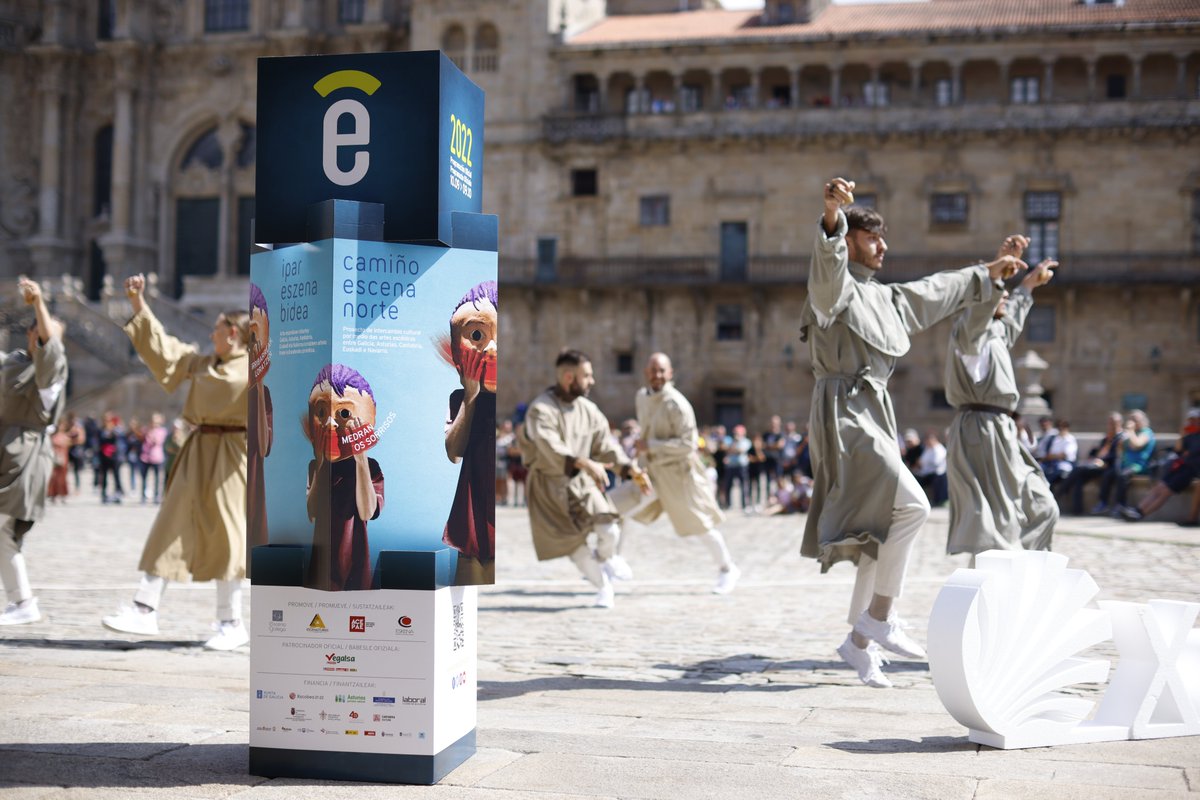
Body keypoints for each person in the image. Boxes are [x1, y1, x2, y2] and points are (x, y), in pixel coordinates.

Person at [799, 176, 1022, 688]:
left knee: (882, 526)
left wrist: (990, 271)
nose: (882, 246)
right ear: (851, 241)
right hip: (844, 413)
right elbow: (827, 270)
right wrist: (832, 216)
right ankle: (879, 619)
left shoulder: (886, 298)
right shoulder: (831, 287)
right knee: (915, 506)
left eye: (882, 238)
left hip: (872, 413)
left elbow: (935, 291)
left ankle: (858, 645)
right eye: (872, 237)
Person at [101, 274, 250, 650]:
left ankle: (231, 622)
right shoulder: (202, 363)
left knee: (229, 532)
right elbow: (164, 350)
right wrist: (138, 303)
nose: (211, 334)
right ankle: (144, 608)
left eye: (218, 328)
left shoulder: (257, 368)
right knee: (171, 524)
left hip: (235, 453)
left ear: (233, 332)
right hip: (198, 449)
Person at [943, 241, 1058, 559]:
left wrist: (1029, 284)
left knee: (1043, 508)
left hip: (1001, 429)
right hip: (980, 431)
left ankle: (1025, 575)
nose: (1004, 294)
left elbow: (1011, 318)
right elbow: (980, 311)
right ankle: (992, 589)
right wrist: (995, 270)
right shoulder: (968, 334)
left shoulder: (994, 333)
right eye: (997, 289)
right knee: (994, 528)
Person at [519, 349, 650, 608]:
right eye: (587, 375)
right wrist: (584, 462)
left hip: (581, 483)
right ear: (569, 377)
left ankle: (607, 557)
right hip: (548, 489)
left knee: (609, 528)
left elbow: (606, 446)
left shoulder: (589, 410)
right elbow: (549, 445)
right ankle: (603, 588)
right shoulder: (540, 410)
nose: (592, 381)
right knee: (574, 547)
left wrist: (630, 469)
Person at [632, 353, 740, 594]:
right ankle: (607, 561)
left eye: (661, 370)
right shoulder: (641, 397)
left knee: (700, 525)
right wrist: (640, 462)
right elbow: (644, 435)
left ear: (670, 374)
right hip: (652, 473)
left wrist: (652, 446)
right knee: (621, 506)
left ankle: (727, 568)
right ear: (645, 372)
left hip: (678, 475)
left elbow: (687, 445)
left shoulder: (677, 404)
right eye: (652, 370)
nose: (657, 375)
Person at [0, 277, 68, 626]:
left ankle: (23, 602)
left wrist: (39, 301)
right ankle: (20, 601)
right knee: (4, 534)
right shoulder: (12, 362)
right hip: (6, 452)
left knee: (4, 531)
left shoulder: (51, 374)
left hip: (25, 457)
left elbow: (50, 349)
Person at [303, 364, 384, 592]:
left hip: (355, 566)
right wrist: (320, 464)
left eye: (344, 414)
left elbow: (368, 512)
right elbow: (312, 512)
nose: (330, 423)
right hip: (322, 566)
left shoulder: (371, 467)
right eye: (321, 413)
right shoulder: (316, 467)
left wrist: (360, 461)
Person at [442, 280, 497, 585]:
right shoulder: (460, 399)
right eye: (477, 336)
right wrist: (471, 394)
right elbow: (453, 450)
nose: (490, 347)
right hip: (471, 526)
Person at [1120, 408, 1200, 523]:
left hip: (1191, 471)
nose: (1193, 422)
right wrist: (1182, 435)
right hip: (1180, 467)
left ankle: (1141, 514)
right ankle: (1137, 510)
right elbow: (1178, 449)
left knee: (1165, 491)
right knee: (1159, 487)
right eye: (1191, 420)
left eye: (1195, 420)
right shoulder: (1190, 435)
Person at [1056, 411, 1122, 515]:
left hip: (1107, 466)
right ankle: (1077, 510)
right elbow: (1094, 451)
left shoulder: (1120, 438)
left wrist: (1103, 461)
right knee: (1078, 479)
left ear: (1119, 424)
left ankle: (1059, 494)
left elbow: (1117, 456)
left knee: (1078, 469)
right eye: (1109, 423)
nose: (1110, 426)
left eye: (1113, 423)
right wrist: (1094, 457)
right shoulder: (1106, 438)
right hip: (1095, 465)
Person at [1097, 410, 1156, 515]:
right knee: (1107, 475)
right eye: (1131, 419)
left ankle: (1120, 505)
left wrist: (1130, 431)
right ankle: (1103, 503)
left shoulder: (1147, 432)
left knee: (1122, 475)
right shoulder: (1130, 433)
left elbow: (1137, 444)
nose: (1132, 421)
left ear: (1142, 421)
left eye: (1135, 419)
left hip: (1139, 466)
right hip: (1125, 464)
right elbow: (1120, 450)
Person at [1039, 418, 1077, 489]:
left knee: (1053, 475)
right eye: (1059, 426)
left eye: (1063, 426)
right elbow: (1045, 453)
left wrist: (1052, 456)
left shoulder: (1070, 439)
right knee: (1038, 470)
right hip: (1049, 463)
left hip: (1064, 464)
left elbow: (1064, 455)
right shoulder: (1053, 438)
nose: (1061, 428)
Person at [913, 429, 948, 507]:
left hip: (937, 474)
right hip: (925, 473)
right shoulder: (927, 449)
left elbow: (936, 463)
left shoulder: (939, 449)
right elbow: (921, 461)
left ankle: (938, 501)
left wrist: (923, 463)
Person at [139, 413, 167, 503]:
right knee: (144, 477)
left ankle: (156, 496)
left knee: (157, 478)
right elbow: (141, 439)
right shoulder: (145, 430)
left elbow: (157, 442)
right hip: (145, 457)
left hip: (157, 457)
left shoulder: (162, 431)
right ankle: (143, 496)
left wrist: (151, 434)